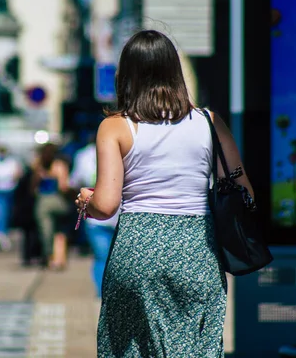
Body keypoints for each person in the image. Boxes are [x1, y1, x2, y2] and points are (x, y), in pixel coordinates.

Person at [74, 30, 253, 357]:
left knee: (132, 347)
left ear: (126, 75)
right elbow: (243, 191)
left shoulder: (116, 127)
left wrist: (86, 200)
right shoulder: (209, 122)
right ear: (174, 71)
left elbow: (106, 204)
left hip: (138, 251)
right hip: (198, 251)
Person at [69, 132, 119, 298]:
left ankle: (103, 294)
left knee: (101, 257)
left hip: (99, 216)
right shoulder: (125, 148)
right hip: (116, 216)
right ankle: (106, 293)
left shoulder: (83, 156)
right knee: (107, 257)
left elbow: (75, 181)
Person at [31, 143, 71, 270]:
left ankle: (49, 258)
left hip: (43, 203)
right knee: (60, 232)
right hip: (59, 201)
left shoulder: (38, 167)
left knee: (46, 232)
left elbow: (33, 188)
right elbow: (63, 187)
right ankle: (60, 259)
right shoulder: (60, 166)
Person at [0, 145, 22, 251]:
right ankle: (0, 234)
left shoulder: (12, 162)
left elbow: (17, 174)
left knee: (7, 214)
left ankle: (4, 233)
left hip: (10, 191)